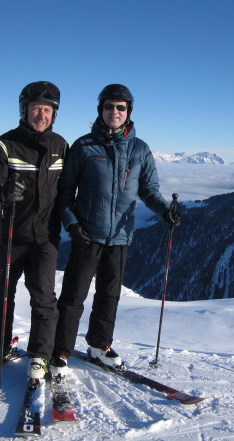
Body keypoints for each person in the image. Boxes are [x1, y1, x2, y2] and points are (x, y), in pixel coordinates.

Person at [49, 84, 180, 378]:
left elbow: (149, 190)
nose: (115, 112)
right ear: (101, 110)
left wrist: (164, 212)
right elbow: (65, 191)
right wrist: (71, 223)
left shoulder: (140, 149)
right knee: (73, 297)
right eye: (109, 106)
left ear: (128, 112)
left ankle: (99, 345)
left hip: (120, 237)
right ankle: (59, 350)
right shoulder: (84, 146)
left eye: (121, 107)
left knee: (109, 296)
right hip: (87, 234)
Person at [0, 81, 68, 383]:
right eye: (34, 108)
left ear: (54, 114)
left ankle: (40, 354)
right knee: (1, 295)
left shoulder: (61, 146)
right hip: (12, 236)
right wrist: (3, 194)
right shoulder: (4, 145)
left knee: (43, 298)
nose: (40, 115)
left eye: (46, 109)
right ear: (23, 110)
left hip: (45, 238)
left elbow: (69, 190)